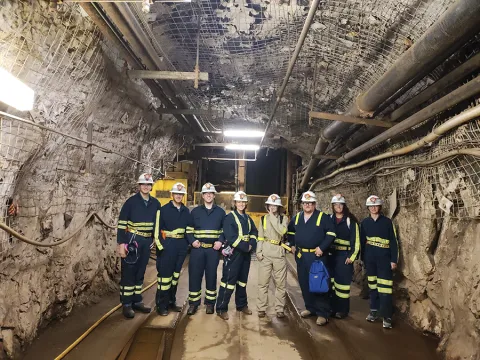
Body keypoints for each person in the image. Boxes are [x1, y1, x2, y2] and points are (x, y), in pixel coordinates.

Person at [287, 191, 336, 326]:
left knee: (319, 284)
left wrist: (322, 247)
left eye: (310, 203)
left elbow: (331, 234)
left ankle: (322, 313)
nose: (307, 205)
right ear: (302, 204)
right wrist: (291, 244)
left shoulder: (323, 217)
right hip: (301, 256)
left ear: (314, 204)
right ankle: (310, 308)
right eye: (305, 203)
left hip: (317, 256)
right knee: (304, 283)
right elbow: (290, 231)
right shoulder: (297, 218)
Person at [117, 173, 161, 319]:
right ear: (139, 186)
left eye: (148, 184)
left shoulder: (155, 203)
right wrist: (121, 244)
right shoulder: (130, 202)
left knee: (141, 271)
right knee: (129, 271)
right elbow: (122, 224)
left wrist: (155, 238)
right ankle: (127, 304)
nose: (146, 186)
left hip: (146, 241)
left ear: (151, 186)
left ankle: (137, 300)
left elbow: (157, 223)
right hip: (132, 240)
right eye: (143, 184)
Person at [216, 191, 258, 320]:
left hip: (245, 254)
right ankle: (221, 308)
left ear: (246, 204)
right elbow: (230, 236)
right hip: (234, 254)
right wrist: (246, 246)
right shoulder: (230, 217)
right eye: (239, 202)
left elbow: (254, 232)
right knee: (228, 281)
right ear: (235, 203)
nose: (241, 204)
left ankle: (241, 305)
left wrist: (252, 243)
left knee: (242, 281)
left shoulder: (248, 218)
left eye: (243, 202)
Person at [186, 183, 225, 315]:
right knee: (195, 276)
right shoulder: (195, 212)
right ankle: (193, 303)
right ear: (202, 196)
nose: (208, 195)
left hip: (212, 251)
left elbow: (224, 231)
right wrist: (192, 241)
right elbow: (189, 230)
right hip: (198, 250)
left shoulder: (221, 212)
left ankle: (210, 303)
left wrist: (220, 241)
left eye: (211, 193)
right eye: (206, 193)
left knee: (211, 276)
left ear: (214, 195)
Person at [360, 195, 399, 329]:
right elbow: (362, 242)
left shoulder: (387, 222)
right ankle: (374, 311)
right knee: (373, 287)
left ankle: (387, 316)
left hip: (384, 259)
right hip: (370, 260)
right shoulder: (364, 223)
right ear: (368, 208)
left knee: (385, 289)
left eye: (375, 206)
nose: (373, 208)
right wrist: (363, 259)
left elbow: (394, 242)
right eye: (371, 206)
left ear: (380, 207)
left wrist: (394, 260)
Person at [155, 182, 193, 316]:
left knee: (175, 276)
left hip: (181, 247)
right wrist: (161, 247)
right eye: (176, 193)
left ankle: (171, 301)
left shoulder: (186, 211)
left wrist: (191, 243)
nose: (178, 196)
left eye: (181, 194)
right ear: (172, 194)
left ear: (183, 196)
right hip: (168, 246)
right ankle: (161, 305)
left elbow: (189, 229)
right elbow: (157, 230)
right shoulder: (163, 210)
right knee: (165, 278)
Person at [256, 194, 290, 318]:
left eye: (275, 205)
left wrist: (271, 216)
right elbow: (260, 237)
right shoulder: (263, 219)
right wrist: (258, 252)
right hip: (266, 253)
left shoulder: (283, 219)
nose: (273, 207)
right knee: (262, 283)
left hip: (279, 253)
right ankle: (261, 308)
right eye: (271, 205)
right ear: (268, 206)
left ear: (279, 207)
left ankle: (279, 308)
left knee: (280, 284)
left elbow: (281, 231)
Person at [329, 194, 360, 319]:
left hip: (344, 256)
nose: (338, 207)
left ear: (344, 206)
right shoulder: (329, 219)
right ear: (333, 206)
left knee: (343, 284)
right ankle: (332, 308)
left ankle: (342, 310)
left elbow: (356, 241)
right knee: (331, 283)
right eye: (336, 205)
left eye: (340, 204)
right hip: (331, 255)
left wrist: (352, 257)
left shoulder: (350, 222)